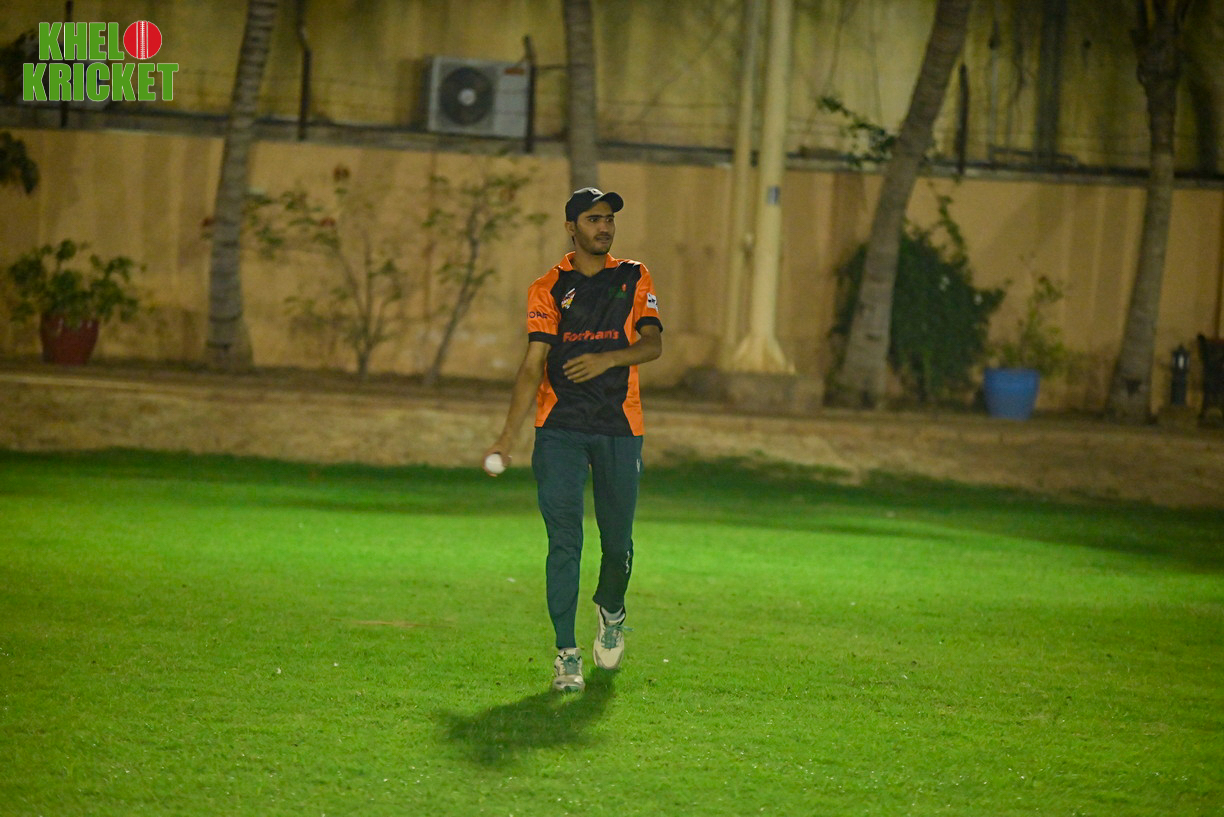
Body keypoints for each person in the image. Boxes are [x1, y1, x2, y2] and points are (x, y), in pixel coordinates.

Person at [484, 187, 663, 692]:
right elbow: (532, 365)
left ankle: (612, 610)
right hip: (560, 428)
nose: (604, 227)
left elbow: (653, 344)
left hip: (619, 427)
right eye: (592, 219)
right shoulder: (548, 287)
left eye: (608, 219)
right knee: (565, 541)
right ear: (571, 228)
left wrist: (608, 359)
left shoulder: (634, 276)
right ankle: (566, 653)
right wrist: (506, 438)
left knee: (618, 544)